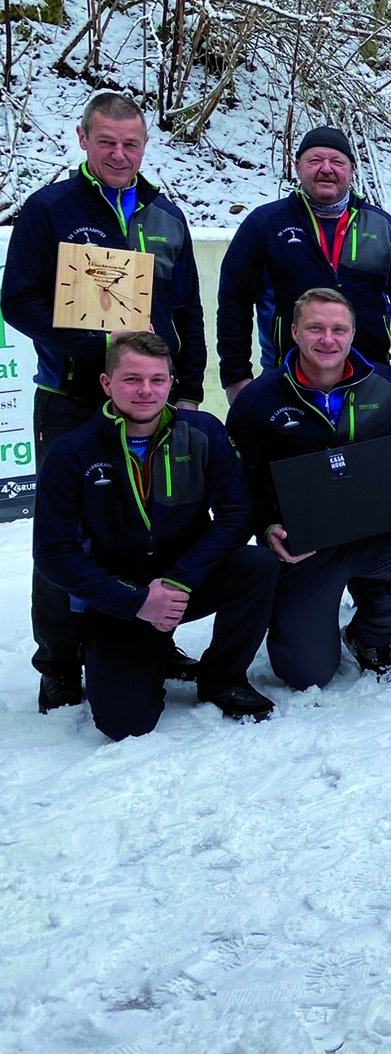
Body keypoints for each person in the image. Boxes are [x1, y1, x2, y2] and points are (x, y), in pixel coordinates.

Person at [2, 92, 208, 713]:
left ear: (146, 146)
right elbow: (17, 300)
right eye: (107, 142)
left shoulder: (166, 216)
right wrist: (95, 342)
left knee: (155, 520)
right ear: (83, 140)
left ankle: (154, 635)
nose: (120, 154)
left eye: (132, 143)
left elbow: (187, 311)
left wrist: (191, 386)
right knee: (65, 529)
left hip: (156, 402)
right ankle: (60, 659)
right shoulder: (51, 210)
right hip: (72, 396)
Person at [33, 333, 276, 739]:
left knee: (257, 565)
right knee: (124, 725)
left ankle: (222, 678)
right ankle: (139, 656)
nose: (146, 391)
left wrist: (179, 579)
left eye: (157, 380)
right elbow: (53, 551)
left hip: (185, 581)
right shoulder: (72, 451)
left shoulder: (202, 433)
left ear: (170, 383)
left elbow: (237, 516)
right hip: (119, 597)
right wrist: (137, 600)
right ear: (107, 385)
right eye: (132, 379)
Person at [227, 289, 391, 691]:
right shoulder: (259, 400)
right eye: (315, 328)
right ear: (294, 331)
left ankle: (367, 633)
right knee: (306, 674)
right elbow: (239, 481)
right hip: (307, 550)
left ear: (353, 334)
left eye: (338, 329)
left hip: (377, 536)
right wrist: (266, 528)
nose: (327, 339)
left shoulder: (384, 385)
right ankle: (301, 626)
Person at [217, 126, 391, 404]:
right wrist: (236, 377)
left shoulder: (383, 226)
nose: (326, 169)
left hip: (370, 381)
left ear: (352, 169)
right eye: (315, 160)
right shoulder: (265, 224)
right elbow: (233, 302)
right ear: (297, 166)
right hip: (287, 384)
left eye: (337, 162)